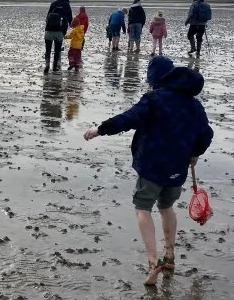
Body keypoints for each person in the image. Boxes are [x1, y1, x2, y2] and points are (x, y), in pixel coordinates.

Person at [83, 56, 213, 286]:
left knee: (143, 208)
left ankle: (153, 263)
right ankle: (170, 256)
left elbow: (128, 119)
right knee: (167, 207)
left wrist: (100, 129)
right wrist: (195, 153)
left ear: (155, 79)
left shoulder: (154, 99)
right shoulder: (193, 104)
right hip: (177, 167)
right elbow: (206, 133)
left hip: (152, 165)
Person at [44, 0, 72, 73]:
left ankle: (47, 64)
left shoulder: (53, 4)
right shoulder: (66, 5)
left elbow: (47, 17)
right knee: (57, 50)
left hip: (49, 30)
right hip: (59, 31)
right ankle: (55, 67)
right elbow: (70, 18)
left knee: (48, 50)